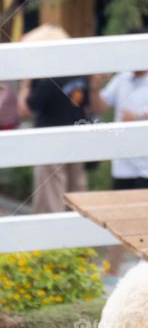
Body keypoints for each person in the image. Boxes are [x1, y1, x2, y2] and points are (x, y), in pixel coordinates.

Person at [17, 24, 89, 213]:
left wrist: (25, 83)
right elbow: (88, 103)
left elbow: (25, 109)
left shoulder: (48, 80)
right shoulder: (78, 74)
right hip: (77, 136)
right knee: (77, 190)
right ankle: (79, 236)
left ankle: (51, 239)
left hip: (50, 140)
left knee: (50, 196)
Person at [90, 67, 148, 189]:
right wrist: (94, 88)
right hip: (124, 167)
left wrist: (136, 119)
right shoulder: (122, 78)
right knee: (121, 208)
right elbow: (99, 109)